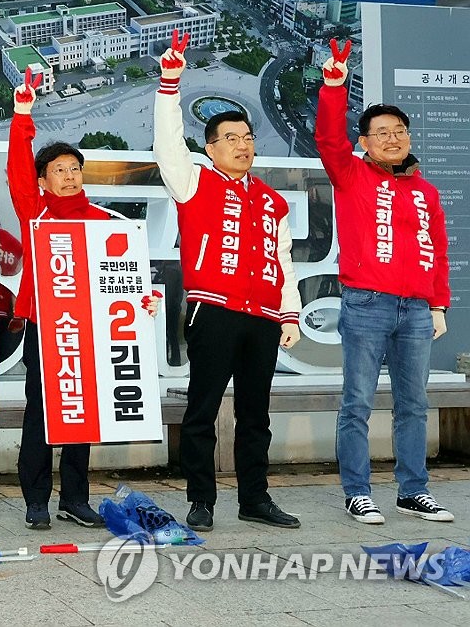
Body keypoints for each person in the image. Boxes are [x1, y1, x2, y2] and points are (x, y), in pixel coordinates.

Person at [152, 30, 302, 532]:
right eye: (230, 139)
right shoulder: (193, 180)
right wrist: (170, 85)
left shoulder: (272, 200)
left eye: (248, 137)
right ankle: (201, 501)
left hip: (262, 318)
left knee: (255, 416)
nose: (242, 145)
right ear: (210, 147)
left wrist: (289, 312)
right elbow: (168, 143)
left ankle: (254, 499)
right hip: (212, 310)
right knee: (202, 411)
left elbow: (281, 258)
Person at [8, 68, 160, 530]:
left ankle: (75, 498)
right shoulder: (36, 212)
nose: (70, 176)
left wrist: (144, 298)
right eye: (59, 171)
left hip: (91, 326)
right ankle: (36, 499)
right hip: (44, 326)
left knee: (81, 412)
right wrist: (22, 115)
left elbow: (127, 275)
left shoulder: (105, 222)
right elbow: (17, 166)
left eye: (75, 169)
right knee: (42, 411)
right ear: (42, 182)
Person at [316, 40, 453, 524]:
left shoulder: (425, 190)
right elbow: (328, 140)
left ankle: (412, 490)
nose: (393, 138)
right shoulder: (351, 174)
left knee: (413, 404)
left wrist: (437, 305)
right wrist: (334, 82)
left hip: (415, 309)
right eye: (382, 133)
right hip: (367, 304)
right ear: (366, 142)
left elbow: (437, 250)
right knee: (356, 401)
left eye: (399, 131)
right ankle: (357, 491)